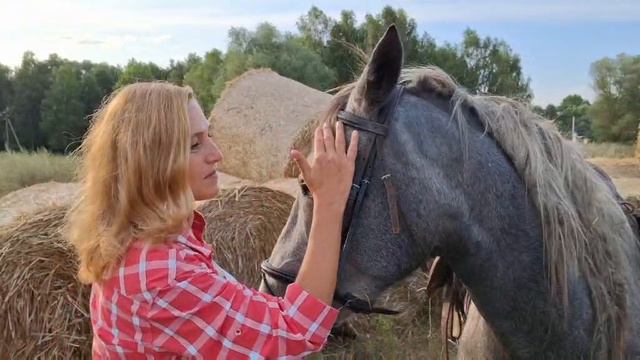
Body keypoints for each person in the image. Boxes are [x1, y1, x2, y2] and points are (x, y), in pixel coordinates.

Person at [66, 82, 359, 359]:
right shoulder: (165, 277)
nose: (216, 155)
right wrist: (329, 203)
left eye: (209, 137)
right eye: (195, 144)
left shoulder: (141, 241)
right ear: (152, 161)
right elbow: (295, 332)